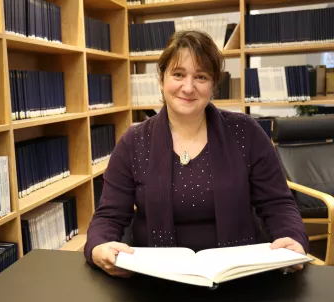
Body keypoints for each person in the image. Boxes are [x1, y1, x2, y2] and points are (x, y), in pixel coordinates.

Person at [84, 30, 309, 277]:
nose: (188, 87)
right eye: (178, 74)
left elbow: (277, 204)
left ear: (213, 84)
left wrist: (292, 239)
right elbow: (109, 216)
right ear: (161, 78)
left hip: (241, 276)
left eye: (200, 77)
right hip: (156, 279)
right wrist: (98, 248)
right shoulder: (134, 142)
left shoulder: (246, 132)